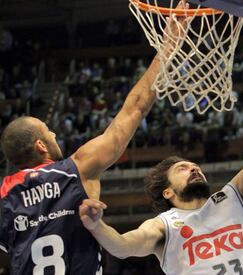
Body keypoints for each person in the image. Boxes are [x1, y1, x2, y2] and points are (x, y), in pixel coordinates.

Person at [79, 37, 243, 274]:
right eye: (182, 169)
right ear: (167, 192)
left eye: (194, 166)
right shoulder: (165, 226)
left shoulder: (236, 196)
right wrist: (96, 226)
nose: (194, 169)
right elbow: (123, 246)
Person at [0, 9, 188, 273]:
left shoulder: (4, 197)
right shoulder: (76, 168)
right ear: (40, 145)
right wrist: (169, 46)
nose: (54, 134)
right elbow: (135, 108)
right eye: (48, 131)